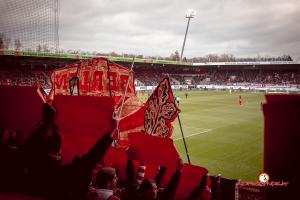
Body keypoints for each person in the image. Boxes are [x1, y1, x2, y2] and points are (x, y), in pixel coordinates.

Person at [18, 103, 118, 199]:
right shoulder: (64, 175)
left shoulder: (27, 168)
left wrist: (45, 124)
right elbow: (91, 158)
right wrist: (113, 128)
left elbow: (27, 148)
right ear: (58, 152)